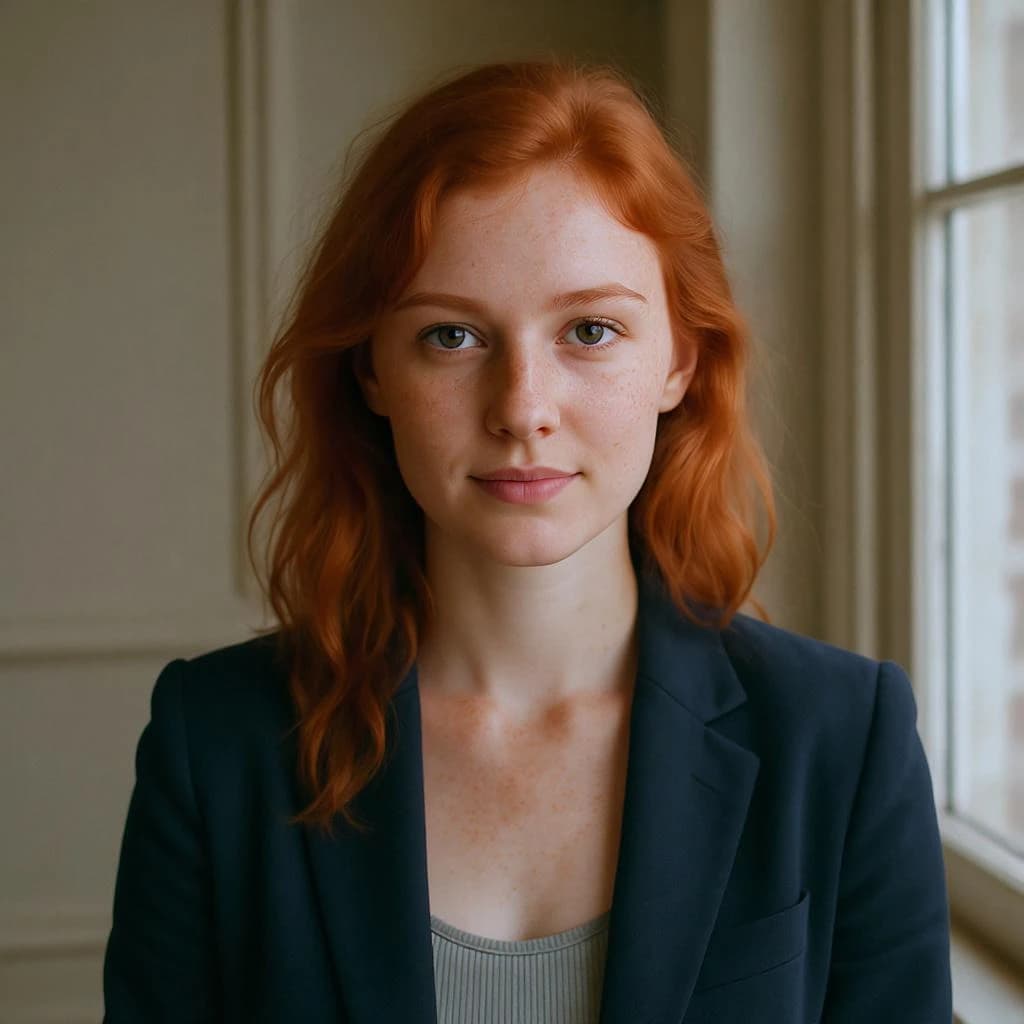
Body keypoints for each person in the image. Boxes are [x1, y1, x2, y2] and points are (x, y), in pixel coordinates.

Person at [101, 57, 953, 1023]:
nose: (522, 409)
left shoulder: (841, 737)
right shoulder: (214, 742)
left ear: (681, 358)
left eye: (589, 330)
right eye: (451, 338)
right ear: (371, 371)